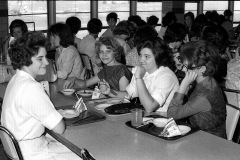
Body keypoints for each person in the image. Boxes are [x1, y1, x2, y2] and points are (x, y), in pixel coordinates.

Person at [1, 32, 81, 160]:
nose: (46, 62)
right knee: (84, 152)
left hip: (18, 148)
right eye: (40, 58)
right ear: (25, 60)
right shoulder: (32, 88)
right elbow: (59, 128)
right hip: (33, 153)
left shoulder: (16, 79)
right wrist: (57, 115)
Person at [100, 37, 179, 113]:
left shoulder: (166, 76)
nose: (141, 60)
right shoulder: (143, 71)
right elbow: (128, 94)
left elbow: (150, 107)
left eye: (147, 57)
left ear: (158, 57)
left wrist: (139, 79)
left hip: (163, 119)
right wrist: (109, 92)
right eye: (140, 56)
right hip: (147, 116)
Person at [167, 40, 227, 139]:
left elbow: (171, 115)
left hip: (209, 141)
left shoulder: (204, 96)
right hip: (201, 134)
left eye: (187, 67)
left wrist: (183, 84)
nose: (183, 70)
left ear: (202, 69)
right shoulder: (208, 80)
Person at [63, 36, 132, 92]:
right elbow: (86, 83)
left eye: (108, 51)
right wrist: (73, 79)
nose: (104, 55)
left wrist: (109, 92)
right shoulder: (106, 69)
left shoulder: (121, 70)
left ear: (115, 52)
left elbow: (125, 97)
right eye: (101, 52)